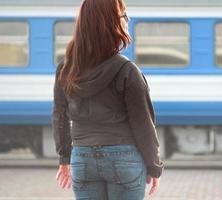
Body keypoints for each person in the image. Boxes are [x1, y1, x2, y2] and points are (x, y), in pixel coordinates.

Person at [51, 0, 164, 199]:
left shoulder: (66, 68)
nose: (127, 21)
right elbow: (143, 122)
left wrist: (64, 157)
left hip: (82, 158)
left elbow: (59, 115)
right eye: (124, 16)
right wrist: (154, 166)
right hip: (124, 158)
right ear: (111, 22)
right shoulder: (127, 70)